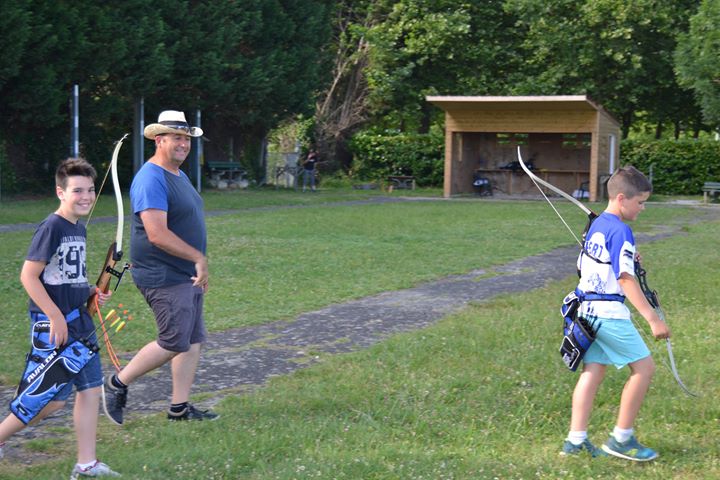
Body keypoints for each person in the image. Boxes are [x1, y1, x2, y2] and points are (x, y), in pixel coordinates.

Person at [0, 158, 119, 478]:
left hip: (79, 322)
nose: (86, 196)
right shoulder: (52, 227)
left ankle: (86, 463)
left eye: (90, 190)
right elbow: (28, 276)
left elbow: (66, 275)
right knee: (48, 399)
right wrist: (55, 315)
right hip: (55, 326)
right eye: (77, 190)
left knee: (91, 389)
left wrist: (90, 291)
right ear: (60, 192)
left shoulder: (78, 228)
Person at [102, 110, 217, 425]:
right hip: (162, 274)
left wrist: (196, 266)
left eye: (186, 138)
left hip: (184, 273)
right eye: (176, 137)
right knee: (174, 340)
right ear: (158, 139)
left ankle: (179, 408)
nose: (183, 144)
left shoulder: (178, 174)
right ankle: (116, 383)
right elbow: (156, 234)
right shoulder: (151, 178)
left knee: (192, 339)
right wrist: (198, 258)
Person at [561, 166, 669, 461]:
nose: (643, 208)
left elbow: (593, 263)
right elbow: (625, 279)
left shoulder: (598, 224)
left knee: (593, 371)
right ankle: (621, 439)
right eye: (640, 202)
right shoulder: (621, 230)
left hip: (586, 313)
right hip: (608, 315)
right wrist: (653, 319)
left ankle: (575, 441)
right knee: (644, 369)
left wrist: (629, 259)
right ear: (621, 198)